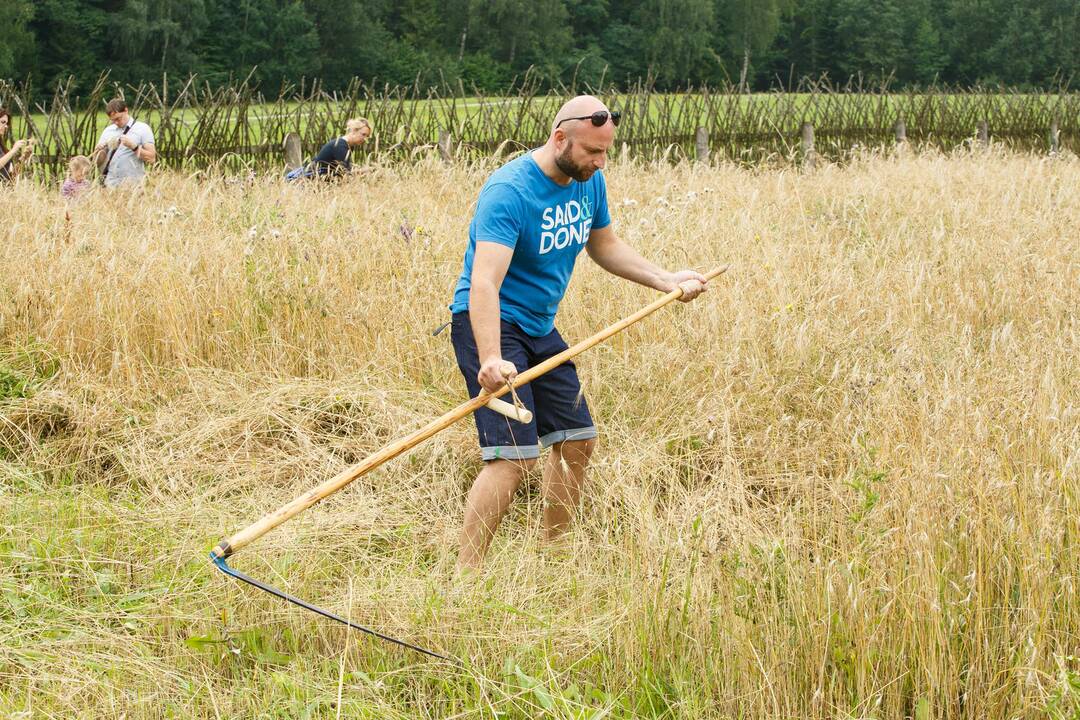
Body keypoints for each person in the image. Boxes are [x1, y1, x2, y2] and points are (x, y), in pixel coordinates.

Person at [450, 95, 708, 570]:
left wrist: (665, 279)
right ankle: (467, 575)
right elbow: (484, 282)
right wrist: (489, 357)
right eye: (592, 151)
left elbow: (604, 244)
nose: (600, 161)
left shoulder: (589, 183)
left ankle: (554, 557)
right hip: (490, 324)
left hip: (539, 327)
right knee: (513, 457)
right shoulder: (510, 190)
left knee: (577, 440)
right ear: (560, 138)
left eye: (606, 152)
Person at [92, 98, 156, 188]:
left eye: (118, 118)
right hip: (110, 186)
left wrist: (134, 147)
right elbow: (97, 163)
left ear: (126, 110)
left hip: (134, 186)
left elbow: (151, 158)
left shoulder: (143, 129)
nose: (116, 122)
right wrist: (98, 151)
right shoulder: (108, 131)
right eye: (113, 120)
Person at [0, 107, 34, 183]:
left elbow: (11, 176)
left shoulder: (1, 146)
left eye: (6, 123)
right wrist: (13, 150)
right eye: (2, 122)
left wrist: (23, 158)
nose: (5, 126)